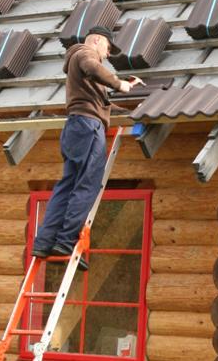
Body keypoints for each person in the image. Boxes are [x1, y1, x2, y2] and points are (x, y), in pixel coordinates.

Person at [32, 26, 142, 268]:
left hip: (76, 128)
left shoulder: (82, 75)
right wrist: (119, 83)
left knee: (67, 185)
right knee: (88, 184)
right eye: (107, 48)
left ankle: (44, 242)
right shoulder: (84, 53)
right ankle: (66, 240)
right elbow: (93, 67)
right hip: (87, 127)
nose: (107, 55)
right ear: (97, 40)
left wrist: (134, 110)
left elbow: (104, 104)